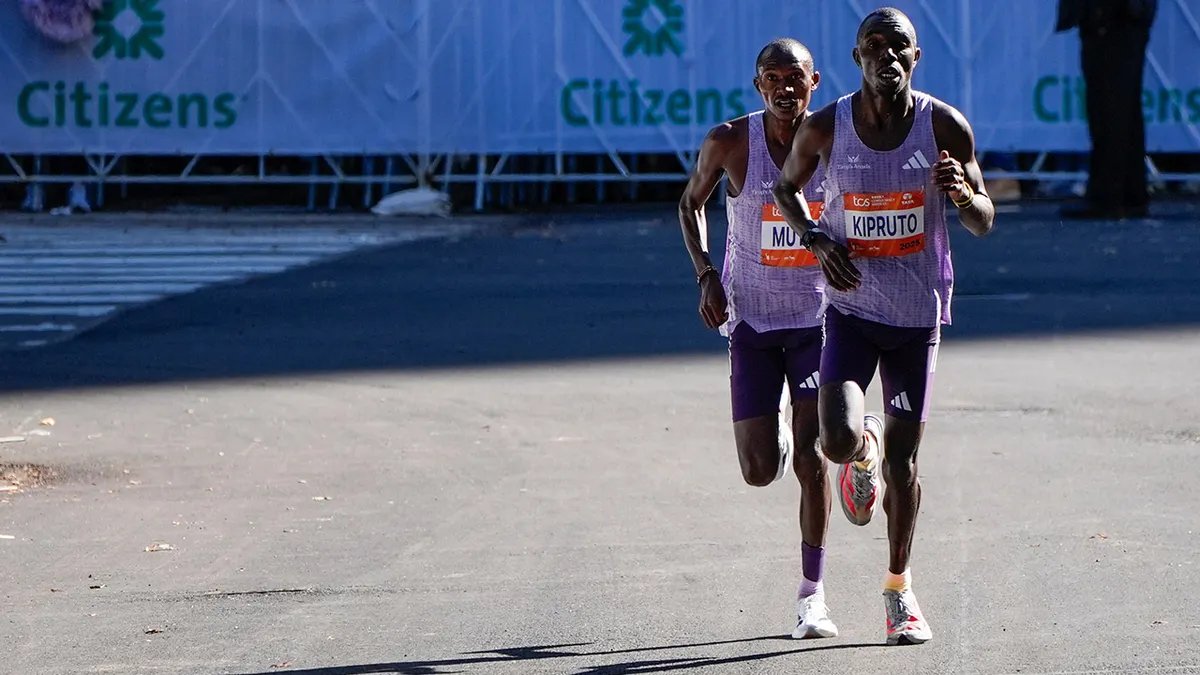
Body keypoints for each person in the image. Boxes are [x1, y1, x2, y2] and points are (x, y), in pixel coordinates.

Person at [772, 7, 996, 645]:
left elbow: (984, 220)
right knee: (836, 442)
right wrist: (817, 239)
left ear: (915, 58)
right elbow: (786, 191)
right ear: (857, 58)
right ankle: (858, 444)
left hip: (917, 317)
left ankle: (899, 590)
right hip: (851, 310)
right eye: (874, 47)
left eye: (898, 48)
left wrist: (961, 196)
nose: (886, 58)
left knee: (904, 467)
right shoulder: (826, 126)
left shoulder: (943, 125)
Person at [679, 38, 837, 639]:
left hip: (818, 320)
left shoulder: (830, 138)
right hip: (749, 320)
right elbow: (690, 203)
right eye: (772, 77)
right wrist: (704, 274)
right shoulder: (729, 141)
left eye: (794, 77)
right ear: (757, 86)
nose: (784, 87)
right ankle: (804, 426)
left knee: (813, 456)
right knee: (758, 471)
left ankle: (811, 595)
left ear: (813, 81)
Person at [1056, 0, 1158, 220]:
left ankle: (1110, 196)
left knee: (1109, 108)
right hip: (1123, 16)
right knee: (1123, 109)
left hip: (1113, 16)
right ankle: (1129, 194)